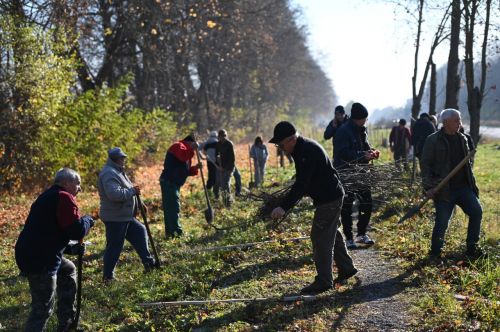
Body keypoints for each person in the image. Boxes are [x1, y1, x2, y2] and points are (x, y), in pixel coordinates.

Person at [269, 121, 357, 295]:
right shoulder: (301, 148)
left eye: (280, 144)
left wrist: (283, 207)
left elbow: (301, 185)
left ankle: (324, 281)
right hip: (332, 196)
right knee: (332, 233)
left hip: (329, 199)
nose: (280, 147)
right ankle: (346, 268)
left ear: (291, 139)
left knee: (320, 237)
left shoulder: (305, 151)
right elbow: (305, 180)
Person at [15, 168, 95, 331]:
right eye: (77, 183)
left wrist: (70, 249)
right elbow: (76, 230)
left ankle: (66, 323)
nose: (79, 188)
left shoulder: (47, 196)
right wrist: (87, 220)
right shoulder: (63, 197)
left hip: (32, 253)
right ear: (66, 183)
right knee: (42, 309)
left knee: (68, 269)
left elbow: (49, 233)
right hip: (41, 260)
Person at [420, 109, 483, 258]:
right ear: (446, 122)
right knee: (442, 222)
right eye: (456, 120)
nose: (459, 123)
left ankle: (472, 248)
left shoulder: (463, 138)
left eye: (459, 120)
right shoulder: (433, 140)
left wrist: (472, 185)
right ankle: (435, 254)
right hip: (444, 190)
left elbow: (467, 165)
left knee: (477, 212)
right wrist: (429, 187)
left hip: (464, 188)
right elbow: (425, 165)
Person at [98, 147, 157, 281]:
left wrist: (138, 204)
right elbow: (114, 194)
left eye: (124, 158)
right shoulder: (109, 173)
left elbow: (128, 189)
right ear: (115, 159)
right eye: (121, 158)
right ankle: (108, 277)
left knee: (140, 231)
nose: (124, 160)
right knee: (114, 246)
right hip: (115, 217)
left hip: (125, 216)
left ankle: (149, 263)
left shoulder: (118, 171)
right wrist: (132, 192)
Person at [334, 102, 380, 249]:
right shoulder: (343, 131)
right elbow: (342, 154)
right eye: (364, 118)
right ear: (357, 118)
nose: (366, 121)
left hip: (362, 173)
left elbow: (364, 146)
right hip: (346, 173)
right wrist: (362, 155)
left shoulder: (362, 130)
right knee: (347, 206)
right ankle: (348, 238)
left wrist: (371, 153)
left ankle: (361, 233)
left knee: (367, 202)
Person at [159, 136, 201, 237]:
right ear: (190, 142)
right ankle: (176, 232)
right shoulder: (179, 146)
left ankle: (171, 233)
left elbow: (184, 170)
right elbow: (183, 157)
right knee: (173, 207)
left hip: (173, 183)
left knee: (172, 208)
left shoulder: (186, 150)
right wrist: (191, 149)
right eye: (193, 145)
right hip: (169, 182)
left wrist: (195, 168)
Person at [215, 129, 236, 206]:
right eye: (220, 136)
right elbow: (216, 155)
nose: (222, 138)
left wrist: (228, 169)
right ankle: (224, 201)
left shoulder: (229, 144)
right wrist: (218, 165)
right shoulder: (218, 144)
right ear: (219, 137)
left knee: (226, 184)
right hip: (220, 167)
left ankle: (228, 202)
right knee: (221, 184)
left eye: (224, 136)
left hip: (229, 167)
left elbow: (232, 159)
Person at [201, 131, 219, 196]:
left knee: (210, 174)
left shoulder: (207, 142)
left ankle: (208, 189)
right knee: (216, 175)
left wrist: (206, 155)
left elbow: (203, 151)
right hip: (216, 161)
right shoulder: (217, 142)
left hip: (209, 161)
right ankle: (214, 190)